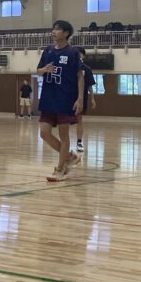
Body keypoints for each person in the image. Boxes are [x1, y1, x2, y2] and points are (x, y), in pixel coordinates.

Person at [36, 19, 83, 181]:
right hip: (48, 98)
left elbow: (80, 76)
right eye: (53, 29)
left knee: (64, 136)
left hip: (65, 99)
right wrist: (43, 69)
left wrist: (80, 98)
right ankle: (70, 157)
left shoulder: (72, 53)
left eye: (57, 29)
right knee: (44, 133)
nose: (53, 32)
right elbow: (38, 71)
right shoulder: (48, 51)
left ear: (66, 33)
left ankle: (60, 169)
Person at [75, 47, 97, 153]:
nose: (78, 55)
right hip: (67, 97)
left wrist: (92, 99)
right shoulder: (69, 66)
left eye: (80, 54)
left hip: (81, 98)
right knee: (64, 120)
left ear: (83, 56)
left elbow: (89, 85)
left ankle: (79, 142)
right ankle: (65, 142)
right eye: (76, 53)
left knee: (79, 120)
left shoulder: (86, 69)